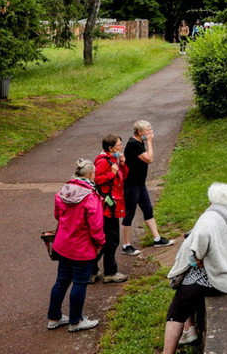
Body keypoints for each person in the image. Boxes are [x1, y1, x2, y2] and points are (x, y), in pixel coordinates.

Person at [162, 182, 227, 353]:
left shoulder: (208, 219)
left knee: (177, 305)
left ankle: (168, 350)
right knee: (187, 285)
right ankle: (190, 328)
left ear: (211, 199)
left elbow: (198, 245)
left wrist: (196, 260)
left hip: (217, 280)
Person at [46, 159, 105, 333]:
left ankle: (54, 317)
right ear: (90, 175)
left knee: (61, 282)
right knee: (79, 283)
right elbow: (96, 226)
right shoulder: (91, 197)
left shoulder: (64, 191)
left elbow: (58, 215)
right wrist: (100, 243)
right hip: (82, 248)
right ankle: (76, 320)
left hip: (63, 245)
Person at [121, 120, 173, 255]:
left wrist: (147, 141)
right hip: (131, 184)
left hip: (139, 183)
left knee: (148, 209)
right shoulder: (134, 144)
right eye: (148, 130)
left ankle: (157, 238)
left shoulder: (139, 142)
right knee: (129, 213)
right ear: (139, 132)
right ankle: (126, 245)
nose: (150, 132)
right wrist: (149, 142)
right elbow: (149, 159)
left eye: (151, 129)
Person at [93, 134, 128, 283]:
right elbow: (96, 179)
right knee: (110, 240)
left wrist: (123, 164)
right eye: (119, 144)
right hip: (107, 207)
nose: (121, 147)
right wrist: (110, 174)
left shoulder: (114, 159)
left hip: (114, 204)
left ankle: (92, 270)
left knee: (109, 239)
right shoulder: (103, 162)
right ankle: (109, 272)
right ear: (110, 148)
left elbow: (122, 177)